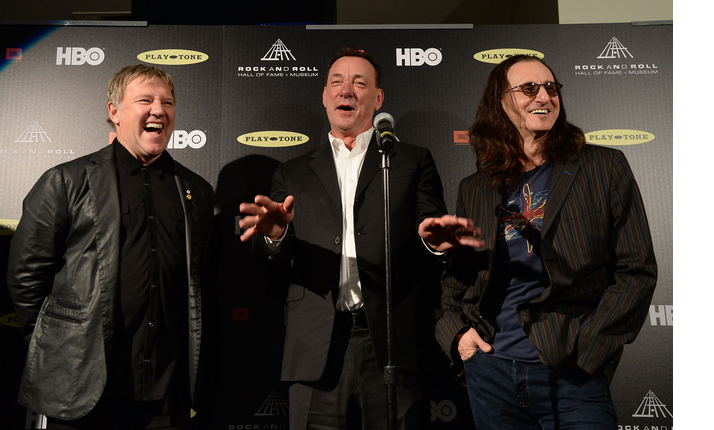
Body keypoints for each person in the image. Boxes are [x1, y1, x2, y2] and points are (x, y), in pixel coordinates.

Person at [238, 46, 482, 429]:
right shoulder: (293, 172)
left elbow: (430, 237)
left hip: (391, 344)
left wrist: (432, 243)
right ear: (324, 95)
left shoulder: (410, 161)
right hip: (316, 347)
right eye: (336, 82)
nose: (346, 90)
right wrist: (276, 235)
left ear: (378, 98)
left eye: (359, 83)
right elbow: (273, 262)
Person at [422, 55, 658, 429]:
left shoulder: (603, 166)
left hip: (571, 370)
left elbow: (636, 270)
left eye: (551, 87)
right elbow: (459, 278)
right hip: (491, 369)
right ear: (502, 102)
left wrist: (590, 349)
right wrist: (458, 337)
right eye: (528, 88)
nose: (543, 96)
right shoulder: (477, 186)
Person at [7, 64, 214, 430]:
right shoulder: (66, 181)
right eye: (145, 100)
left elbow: (202, 280)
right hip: (82, 390)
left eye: (167, 102)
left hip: (167, 394)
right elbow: (27, 278)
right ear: (114, 112)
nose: (158, 110)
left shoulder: (195, 190)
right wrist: (61, 344)